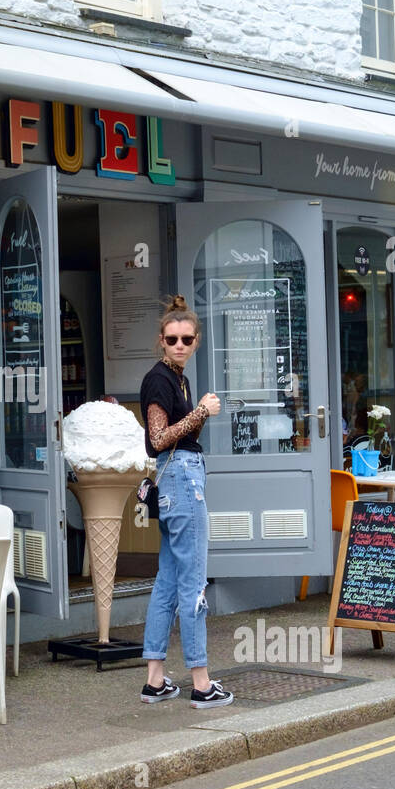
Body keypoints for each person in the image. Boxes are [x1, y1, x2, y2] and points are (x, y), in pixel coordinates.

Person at [138, 295, 233, 709]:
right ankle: (201, 682)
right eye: (172, 339)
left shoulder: (177, 376)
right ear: (162, 340)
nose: (179, 345)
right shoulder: (160, 379)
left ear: (195, 342)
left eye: (186, 339)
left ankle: (155, 680)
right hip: (181, 478)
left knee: (168, 581)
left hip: (176, 480)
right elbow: (158, 439)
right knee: (193, 583)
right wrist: (201, 413)